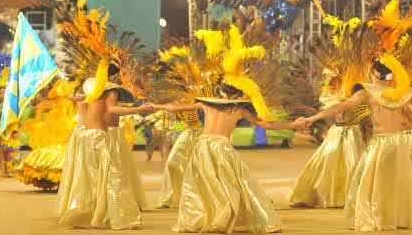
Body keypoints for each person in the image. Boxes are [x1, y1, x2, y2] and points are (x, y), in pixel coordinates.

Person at [149, 85, 309, 234]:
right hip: (221, 146)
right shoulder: (239, 110)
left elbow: (175, 108)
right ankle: (224, 218)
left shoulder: (206, 105)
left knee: (203, 183)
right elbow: (266, 125)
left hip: (203, 145)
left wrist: (156, 107)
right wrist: (293, 124)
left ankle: (209, 218)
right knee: (234, 182)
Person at [294, 58, 412, 231]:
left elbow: (342, 106)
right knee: (393, 183)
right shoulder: (400, 94)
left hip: (382, 143)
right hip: (400, 143)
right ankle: (392, 219)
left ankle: (374, 219)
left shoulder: (368, 93)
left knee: (367, 183)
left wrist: (313, 118)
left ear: (374, 74)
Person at [55, 78, 152, 229]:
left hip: (85, 136)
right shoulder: (111, 90)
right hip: (100, 138)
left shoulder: (88, 88)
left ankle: (89, 214)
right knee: (113, 177)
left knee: (90, 179)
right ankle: (117, 216)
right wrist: (138, 110)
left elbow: (74, 99)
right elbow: (112, 109)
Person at [288, 84, 371, 208]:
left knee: (335, 164)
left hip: (340, 132)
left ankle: (336, 196)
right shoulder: (354, 100)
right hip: (347, 133)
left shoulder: (348, 99)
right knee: (342, 164)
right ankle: (343, 196)